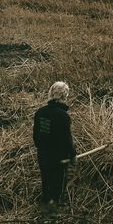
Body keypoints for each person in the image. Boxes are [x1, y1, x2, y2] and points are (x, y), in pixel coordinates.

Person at [32, 81, 77, 216]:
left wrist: (42, 149)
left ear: (51, 93)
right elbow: (66, 140)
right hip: (58, 158)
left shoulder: (40, 112)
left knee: (46, 182)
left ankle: (44, 212)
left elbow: (36, 135)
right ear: (65, 96)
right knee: (56, 186)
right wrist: (72, 155)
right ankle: (51, 216)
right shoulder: (63, 116)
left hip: (43, 155)